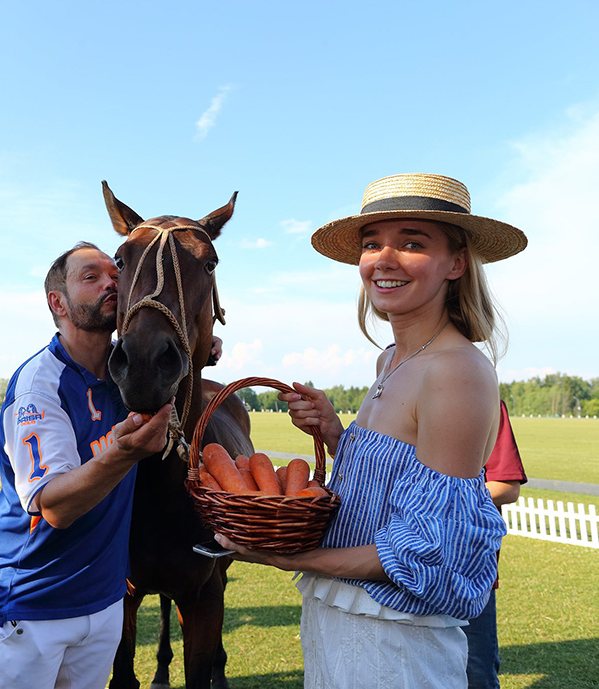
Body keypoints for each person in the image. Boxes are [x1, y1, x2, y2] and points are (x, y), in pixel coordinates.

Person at [217, 173, 528, 688]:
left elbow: (429, 544)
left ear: (456, 263)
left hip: (396, 643)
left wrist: (290, 557)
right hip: (339, 621)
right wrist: (338, 436)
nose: (384, 258)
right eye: (371, 243)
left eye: (411, 242)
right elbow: (396, 487)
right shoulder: (391, 360)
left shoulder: (456, 369)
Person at [0, 241, 175, 689]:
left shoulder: (127, 374)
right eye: (91, 277)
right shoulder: (39, 384)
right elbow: (55, 506)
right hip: (36, 608)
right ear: (58, 303)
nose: (111, 282)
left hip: (106, 604)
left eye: (116, 274)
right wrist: (124, 453)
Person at [464, 399, 527, 689]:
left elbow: (506, 486)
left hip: (468, 568)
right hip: (402, 563)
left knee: (475, 672)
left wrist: (434, 501)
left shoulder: (479, 395)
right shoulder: (388, 399)